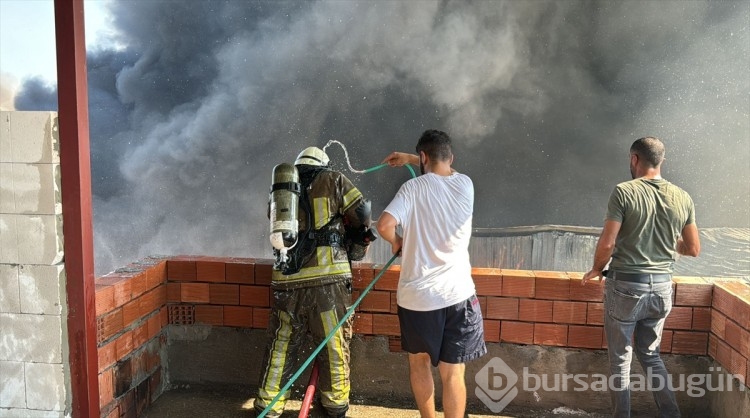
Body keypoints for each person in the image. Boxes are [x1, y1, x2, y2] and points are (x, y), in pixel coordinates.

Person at [582, 136, 700, 418]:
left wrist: (597, 269)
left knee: (620, 361)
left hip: (625, 286)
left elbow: (608, 243)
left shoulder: (624, 192)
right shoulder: (683, 196)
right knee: (650, 355)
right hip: (661, 289)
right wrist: (672, 245)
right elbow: (693, 248)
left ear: (634, 159)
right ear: (661, 161)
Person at [255, 146, 375, 418]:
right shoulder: (333, 179)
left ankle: (268, 405)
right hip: (328, 281)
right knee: (333, 342)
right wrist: (357, 243)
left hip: (286, 280)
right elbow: (363, 213)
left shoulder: (281, 192)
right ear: (323, 164)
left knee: (282, 342)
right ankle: (335, 405)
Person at [377, 129, 487, 418]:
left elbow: (384, 225)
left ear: (423, 156)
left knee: (420, 364)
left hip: (418, 300)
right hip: (458, 295)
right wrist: (415, 159)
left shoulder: (412, 189)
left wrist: (396, 242)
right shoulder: (466, 184)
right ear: (450, 157)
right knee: (453, 374)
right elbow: (446, 169)